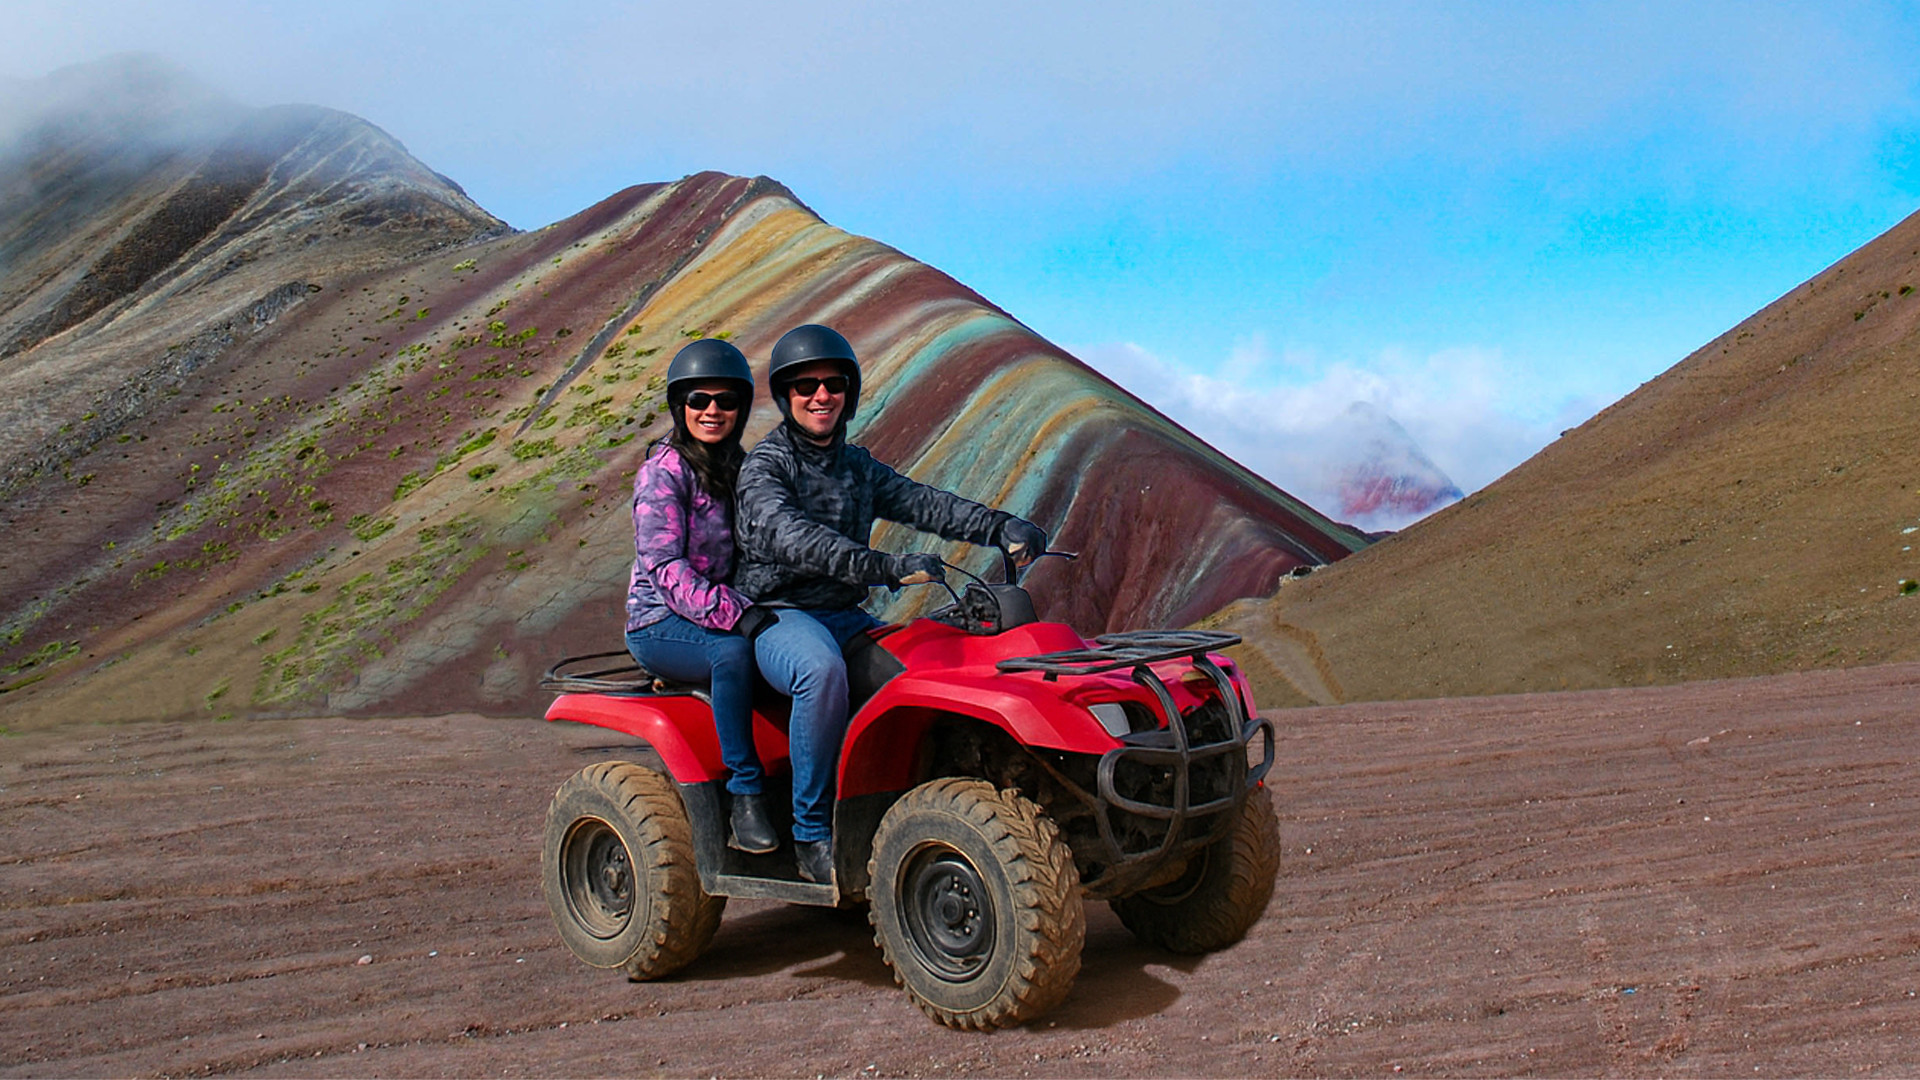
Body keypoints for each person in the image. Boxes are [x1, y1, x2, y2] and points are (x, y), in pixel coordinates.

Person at [733, 324, 1047, 884]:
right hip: (779, 614)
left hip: (845, 615)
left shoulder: (857, 466)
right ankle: (811, 834)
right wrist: (884, 566)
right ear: (785, 396)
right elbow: (794, 539)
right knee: (820, 671)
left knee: (923, 675)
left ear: (849, 393)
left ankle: (917, 818)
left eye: (833, 384)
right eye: (805, 386)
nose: (820, 395)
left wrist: (1001, 526)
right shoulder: (765, 468)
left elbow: (925, 504)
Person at [625, 338, 779, 855]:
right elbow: (664, 567)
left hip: (721, 609)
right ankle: (745, 793)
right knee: (731, 653)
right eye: (699, 400)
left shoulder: (741, 467)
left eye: (726, 400)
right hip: (659, 621)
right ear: (679, 407)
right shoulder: (663, 474)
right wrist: (737, 613)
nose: (713, 410)